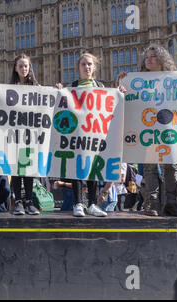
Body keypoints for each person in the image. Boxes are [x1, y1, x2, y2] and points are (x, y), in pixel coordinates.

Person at [116, 44, 177, 216]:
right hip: (148, 130)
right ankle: (152, 203)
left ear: (162, 59)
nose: (148, 60)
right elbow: (126, 101)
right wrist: (120, 83)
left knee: (171, 166)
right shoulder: (137, 80)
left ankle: (171, 202)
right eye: (146, 57)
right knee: (149, 167)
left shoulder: (174, 78)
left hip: (168, 130)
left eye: (153, 57)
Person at [55, 53, 121, 217]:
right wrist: (58, 92)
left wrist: (120, 93)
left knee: (93, 169)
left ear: (94, 67)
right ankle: (78, 203)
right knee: (76, 168)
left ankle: (92, 204)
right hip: (77, 135)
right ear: (78, 68)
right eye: (83, 64)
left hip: (95, 134)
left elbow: (111, 107)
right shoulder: (72, 87)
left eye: (90, 64)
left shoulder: (101, 87)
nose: (87, 67)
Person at [0, 54, 40, 215]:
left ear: (29, 68)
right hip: (14, 135)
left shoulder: (37, 88)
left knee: (29, 169)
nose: (24, 69)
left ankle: (29, 201)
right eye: (20, 66)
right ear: (15, 68)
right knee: (17, 169)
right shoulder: (9, 89)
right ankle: (18, 201)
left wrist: (57, 91)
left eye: (26, 66)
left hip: (30, 135)